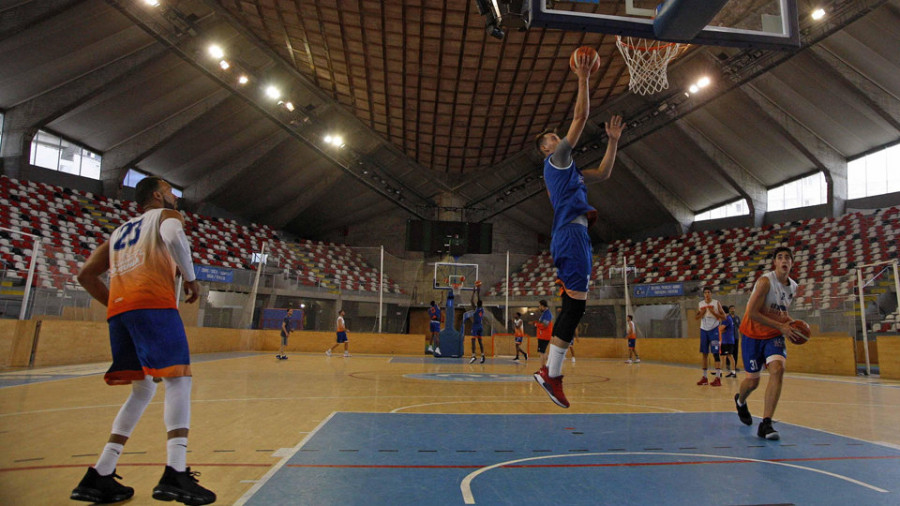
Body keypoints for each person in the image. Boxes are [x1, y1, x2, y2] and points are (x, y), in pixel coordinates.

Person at [70, 176, 215, 505]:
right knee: (179, 380)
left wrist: (118, 304)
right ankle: (176, 473)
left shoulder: (119, 231)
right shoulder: (166, 217)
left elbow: (85, 274)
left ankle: (101, 474)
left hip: (121, 314)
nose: (175, 195)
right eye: (170, 190)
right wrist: (191, 279)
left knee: (144, 388)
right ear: (157, 195)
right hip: (152, 304)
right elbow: (175, 235)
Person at [532, 50, 625, 408]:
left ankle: (548, 368)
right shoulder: (555, 162)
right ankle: (550, 375)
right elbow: (582, 115)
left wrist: (613, 143)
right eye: (555, 137)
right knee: (576, 309)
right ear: (546, 148)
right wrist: (583, 76)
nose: (560, 140)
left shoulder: (569, 173)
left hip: (576, 235)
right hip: (571, 234)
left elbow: (602, 173)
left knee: (571, 306)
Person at [734, 247, 804, 440]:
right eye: (780, 257)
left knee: (778, 369)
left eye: (787, 257)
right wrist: (781, 326)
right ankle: (740, 401)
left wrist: (791, 324)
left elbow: (780, 311)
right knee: (752, 382)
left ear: (791, 263)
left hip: (773, 335)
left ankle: (766, 423)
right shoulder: (765, 282)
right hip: (752, 334)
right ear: (775, 262)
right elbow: (753, 313)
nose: (784, 260)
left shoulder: (793, 287)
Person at [695, 287, 726, 387]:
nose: (707, 294)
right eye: (705, 292)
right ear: (703, 294)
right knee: (704, 353)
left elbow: (724, 316)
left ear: (711, 294)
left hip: (714, 330)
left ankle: (718, 378)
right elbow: (696, 317)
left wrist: (714, 313)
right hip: (704, 330)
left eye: (708, 292)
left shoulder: (716, 303)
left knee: (716, 353)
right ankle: (704, 377)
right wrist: (702, 313)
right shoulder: (701, 304)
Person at [468, 282, 486, 364]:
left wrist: (473, 292)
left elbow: (471, 300)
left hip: (475, 326)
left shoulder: (475, 308)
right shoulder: (482, 309)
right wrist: (478, 290)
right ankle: (482, 355)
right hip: (480, 326)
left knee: (473, 340)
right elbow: (479, 299)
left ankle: (473, 355)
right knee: (480, 341)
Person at [532, 300, 553, 366]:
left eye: (539, 306)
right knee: (543, 352)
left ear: (543, 306)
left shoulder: (547, 314)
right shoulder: (545, 313)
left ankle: (543, 368)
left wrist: (536, 325)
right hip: (543, 335)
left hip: (544, 336)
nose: (539, 307)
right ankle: (546, 367)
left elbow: (545, 325)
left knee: (542, 353)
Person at [719, 306, 737, 377]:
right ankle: (720, 371)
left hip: (728, 341)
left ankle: (733, 372)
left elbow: (721, 329)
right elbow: (722, 330)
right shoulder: (726, 318)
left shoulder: (726, 318)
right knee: (722, 356)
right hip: (725, 340)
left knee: (730, 355)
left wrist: (719, 328)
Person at [728, 305, 741, 371]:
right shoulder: (727, 318)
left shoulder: (737, 318)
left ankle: (734, 367)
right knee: (729, 352)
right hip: (729, 337)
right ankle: (728, 365)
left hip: (736, 337)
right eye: (731, 309)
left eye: (733, 308)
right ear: (729, 310)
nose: (732, 310)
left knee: (735, 352)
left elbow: (739, 326)